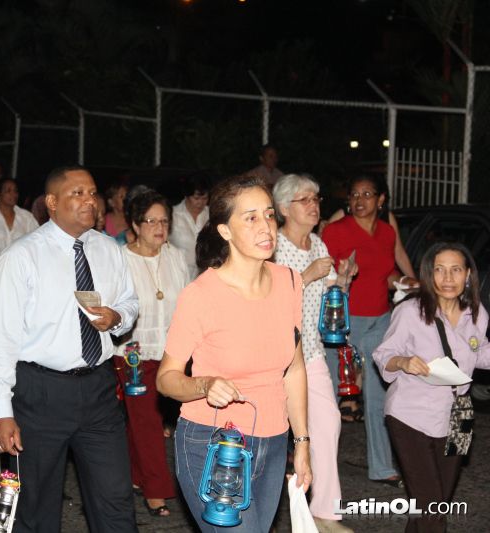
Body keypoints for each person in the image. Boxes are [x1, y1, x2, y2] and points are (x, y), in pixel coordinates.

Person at [0, 165, 139, 532]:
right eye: (77, 193)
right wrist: (1, 412)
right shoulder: (22, 257)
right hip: (40, 392)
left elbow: (130, 302)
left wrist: (117, 317)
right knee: (35, 505)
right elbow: (0, 340)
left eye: (93, 193)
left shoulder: (108, 249)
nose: (89, 201)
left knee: (115, 497)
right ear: (52, 203)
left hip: (99, 389)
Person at [156, 175, 312, 533]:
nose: (266, 227)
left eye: (269, 215)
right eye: (250, 218)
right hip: (214, 444)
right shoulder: (201, 295)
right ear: (225, 230)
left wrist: (302, 442)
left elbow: (294, 369)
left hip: (274, 443)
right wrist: (205, 384)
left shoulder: (289, 281)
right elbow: (166, 379)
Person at [374, 242, 490, 533]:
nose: (448, 278)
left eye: (456, 270)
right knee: (431, 508)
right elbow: (383, 353)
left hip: (460, 415)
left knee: (435, 503)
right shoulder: (411, 311)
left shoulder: (476, 314)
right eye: (440, 269)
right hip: (410, 413)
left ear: (468, 275)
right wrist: (403, 361)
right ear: (429, 274)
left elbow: (480, 352)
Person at [321, 175, 415, 487]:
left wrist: (406, 281)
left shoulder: (387, 232)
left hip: (380, 321)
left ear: (381, 199)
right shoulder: (336, 231)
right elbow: (323, 272)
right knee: (328, 395)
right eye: (354, 194)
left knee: (379, 396)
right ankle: (315, 461)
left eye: (367, 194)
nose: (359, 200)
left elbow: (386, 273)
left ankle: (382, 466)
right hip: (343, 324)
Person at [273, 174, 353, 533]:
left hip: (311, 351)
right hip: (274, 354)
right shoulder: (272, 245)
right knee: (271, 433)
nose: (314, 205)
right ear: (283, 207)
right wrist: (305, 276)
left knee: (329, 423)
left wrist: (343, 279)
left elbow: (331, 293)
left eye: (316, 198)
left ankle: (326, 512)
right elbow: (267, 296)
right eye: (304, 199)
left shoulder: (318, 244)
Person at [113, 190, 189, 518]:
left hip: (170, 351)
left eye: (164, 221)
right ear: (134, 224)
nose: (159, 228)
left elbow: (187, 304)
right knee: (147, 420)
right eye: (151, 221)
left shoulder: (177, 257)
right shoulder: (120, 260)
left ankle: (135, 473)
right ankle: (156, 490)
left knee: (140, 419)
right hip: (133, 353)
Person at [0, 177, 39, 267]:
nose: (13, 194)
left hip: (20, 270)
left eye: (15, 191)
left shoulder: (27, 217)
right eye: (8, 191)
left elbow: (37, 243)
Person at [170, 173, 210, 279]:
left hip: (204, 274)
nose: (200, 203)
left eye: (205, 198)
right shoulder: (173, 215)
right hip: (178, 274)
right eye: (196, 198)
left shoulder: (211, 215)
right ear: (186, 196)